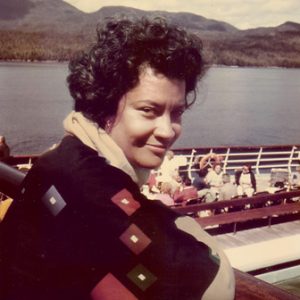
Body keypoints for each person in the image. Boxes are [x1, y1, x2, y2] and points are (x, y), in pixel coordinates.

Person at [0, 17, 234, 299]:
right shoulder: (86, 187)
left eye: (177, 113)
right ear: (104, 105)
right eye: (149, 110)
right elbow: (209, 278)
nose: (167, 130)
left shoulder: (61, 158)